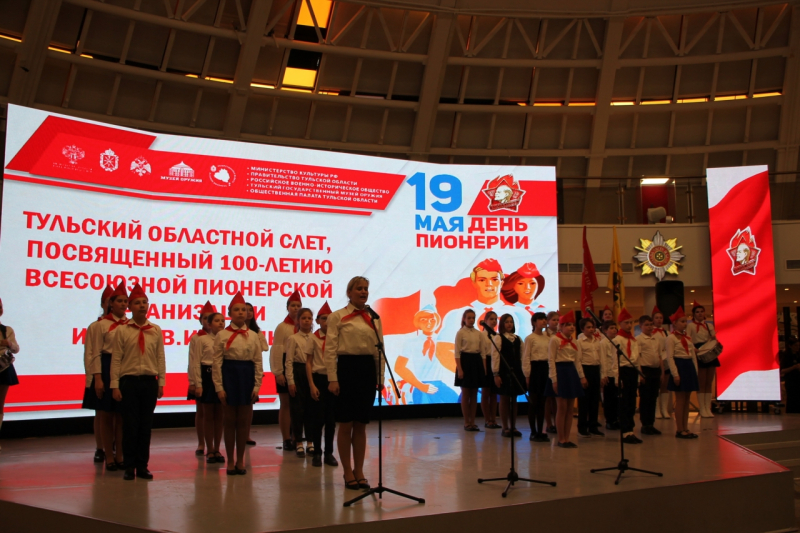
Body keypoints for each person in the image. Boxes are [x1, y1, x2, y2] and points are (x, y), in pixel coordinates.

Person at [324, 276, 385, 491]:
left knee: (361, 424)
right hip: (346, 369)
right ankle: (347, 471)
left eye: (366, 288)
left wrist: (380, 378)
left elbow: (379, 350)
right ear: (349, 292)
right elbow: (330, 349)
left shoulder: (374, 317)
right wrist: (332, 378)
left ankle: (359, 470)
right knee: (346, 423)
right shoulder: (337, 316)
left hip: (367, 370)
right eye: (359, 288)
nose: (363, 292)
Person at [110, 284, 166, 481]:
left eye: (145, 303)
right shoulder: (123, 330)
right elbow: (116, 358)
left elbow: (160, 357)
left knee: (145, 426)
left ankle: (142, 465)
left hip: (149, 382)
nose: (142, 306)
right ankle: (129, 466)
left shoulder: (155, 330)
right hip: (129, 382)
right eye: (137, 303)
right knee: (130, 426)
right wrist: (115, 385)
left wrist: (161, 382)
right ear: (130, 307)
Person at [213, 292, 264, 475]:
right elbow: (217, 363)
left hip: (246, 376)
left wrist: (257, 386)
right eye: (237, 310)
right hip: (229, 375)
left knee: (243, 421)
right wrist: (219, 387)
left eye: (244, 309)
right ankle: (230, 460)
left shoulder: (253, 335)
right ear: (230, 313)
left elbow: (258, 361)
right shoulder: (222, 335)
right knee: (229, 421)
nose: (241, 312)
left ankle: (241, 459)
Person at [85, 282, 129, 471]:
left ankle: (120, 454)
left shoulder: (130, 325)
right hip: (105, 367)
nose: (123, 304)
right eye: (119, 301)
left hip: (124, 368)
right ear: (110, 303)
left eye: (125, 301)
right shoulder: (99, 326)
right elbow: (94, 353)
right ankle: (106, 453)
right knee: (104, 414)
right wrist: (97, 378)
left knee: (121, 415)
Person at [394, 306, 456, 405]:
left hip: (441, 386)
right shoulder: (411, 342)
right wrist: (420, 385)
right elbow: (399, 367)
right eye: (423, 320)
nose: (428, 323)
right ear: (417, 322)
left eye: (432, 319)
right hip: (421, 386)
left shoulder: (444, 341)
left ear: (437, 321)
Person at [544, 310, 586, 448]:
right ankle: (561, 438)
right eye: (568, 324)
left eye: (572, 324)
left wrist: (582, 376)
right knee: (561, 407)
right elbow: (551, 360)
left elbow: (577, 361)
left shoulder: (575, 341)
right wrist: (554, 379)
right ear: (561, 327)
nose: (571, 327)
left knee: (570, 408)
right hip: (560, 372)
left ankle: (567, 437)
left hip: (571, 372)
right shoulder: (555, 340)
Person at [83, 285, 114, 464]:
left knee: (117, 414)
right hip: (100, 373)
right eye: (109, 301)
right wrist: (93, 378)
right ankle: (100, 448)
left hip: (118, 373)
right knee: (101, 413)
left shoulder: (125, 326)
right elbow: (90, 354)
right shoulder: (96, 326)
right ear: (103, 304)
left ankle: (114, 446)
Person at [191, 306, 225, 464]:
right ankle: (209, 448)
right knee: (208, 414)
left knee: (220, 415)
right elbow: (196, 363)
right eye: (217, 321)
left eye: (222, 320)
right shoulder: (201, 340)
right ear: (209, 324)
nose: (221, 323)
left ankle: (217, 448)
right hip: (207, 376)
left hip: (222, 377)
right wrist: (197, 383)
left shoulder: (226, 339)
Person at [307, 302, 338, 467]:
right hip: (318, 379)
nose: (327, 322)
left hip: (333, 380)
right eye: (324, 318)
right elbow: (308, 362)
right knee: (317, 419)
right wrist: (311, 385)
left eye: (330, 319)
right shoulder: (313, 338)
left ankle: (329, 453)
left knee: (331, 420)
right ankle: (317, 452)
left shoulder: (337, 337)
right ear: (318, 321)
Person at [271, 291, 303, 450]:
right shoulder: (282, 327)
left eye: (298, 306)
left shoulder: (304, 327)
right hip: (284, 364)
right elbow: (276, 349)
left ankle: (297, 436)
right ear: (287, 308)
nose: (296, 308)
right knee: (286, 404)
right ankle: (286, 438)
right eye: (293, 305)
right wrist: (278, 372)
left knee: (299, 404)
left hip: (299, 365)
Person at [490, 314, 526, 438]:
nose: (509, 324)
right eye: (506, 322)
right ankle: (505, 427)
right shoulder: (498, 338)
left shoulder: (518, 339)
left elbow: (522, 356)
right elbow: (495, 356)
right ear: (502, 324)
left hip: (516, 371)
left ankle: (513, 426)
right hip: (503, 371)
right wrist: (496, 374)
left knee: (514, 400)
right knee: (504, 399)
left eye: (511, 322)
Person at [285, 308, 315, 458]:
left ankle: (310, 441)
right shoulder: (293, 338)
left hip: (312, 373)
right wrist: (291, 381)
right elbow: (289, 361)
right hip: (298, 372)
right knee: (297, 410)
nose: (306, 321)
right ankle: (298, 442)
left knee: (311, 409)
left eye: (309, 318)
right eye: (303, 318)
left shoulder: (315, 338)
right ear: (298, 320)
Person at [666, 307, 699, 439]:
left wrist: (695, 371)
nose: (685, 324)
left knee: (687, 399)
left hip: (689, 366)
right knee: (680, 400)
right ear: (674, 323)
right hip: (679, 366)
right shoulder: (671, 338)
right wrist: (675, 374)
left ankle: (686, 427)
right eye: (682, 321)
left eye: (686, 321)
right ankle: (679, 429)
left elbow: (692, 356)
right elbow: (670, 357)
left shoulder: (688, 338)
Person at [188, 301, 214, 456]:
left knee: (215, 413)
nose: (208, 321)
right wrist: (193, 381)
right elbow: (193, 360)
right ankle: (201, 443)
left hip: (215, 377)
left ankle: (213, 444)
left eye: (210, 318)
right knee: (201, 411)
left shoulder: (220, 337)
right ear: (201, 321)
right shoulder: (196, 338)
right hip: (201, 376)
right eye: (205, 318)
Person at [454, 309, 486, 432]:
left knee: (474, 394)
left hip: (476, 361)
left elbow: (483, 353)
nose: (471, 320)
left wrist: (484, 368)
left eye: (473, 318)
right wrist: (460, 369)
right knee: (466, 393)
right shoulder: (460, 333)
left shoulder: (478, 334)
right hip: (465, 361)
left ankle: (473, 421)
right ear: (464, 319)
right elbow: (457, 353)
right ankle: (466, 422)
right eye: (469, 318)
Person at [613, 308, 642, 444]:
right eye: (626, 323)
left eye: (631, 323)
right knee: (624, 402)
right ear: (620, 324)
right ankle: (625, 431)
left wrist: (639, 375)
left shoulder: (634, 340)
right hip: (623, 370)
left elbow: (637, 359)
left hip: (633, 371)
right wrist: (617, 377)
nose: (629, 325)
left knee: (631, 402)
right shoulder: (617, 340)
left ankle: (631, 430)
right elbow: (615, 361)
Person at [522, 312, 550, 442]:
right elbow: (526, 357)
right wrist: (527, 375)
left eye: (545, 319)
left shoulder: (548, 338)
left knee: (542, 402)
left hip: (545, 368)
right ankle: (533, 431)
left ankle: (540, 430)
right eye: (540, 319)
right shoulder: (530, 338)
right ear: (534, 322)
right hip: (535, 369)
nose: (544, 321)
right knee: (534, 402)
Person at [576, 318, 606, 438]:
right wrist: (582, 377)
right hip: (585, 370)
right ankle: (582, 427)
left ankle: (593, 426)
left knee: (595, 400)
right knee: (584, 401)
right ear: (582, 329)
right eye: (588, 327)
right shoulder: (579, 342)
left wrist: (602, 375)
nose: (591, 329)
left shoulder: (597, 341)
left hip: (595, 370)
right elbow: (578, 361)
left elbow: (602, 359)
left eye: (592, 327)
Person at [686, 302, 717, 418]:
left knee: (709, 382)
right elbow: (687, 339)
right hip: (698, 351)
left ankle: (707, 408)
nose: (700, 314)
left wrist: (714, 338)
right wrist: (693, 349)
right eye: (697, 312)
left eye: (701, 311)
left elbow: (714, 339)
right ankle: (702, 408)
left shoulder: (709, 326)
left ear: (704, 313)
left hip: (709, 351)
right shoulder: (690, 326)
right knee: (701, 381)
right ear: (694, 314)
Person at [500, 262, 546, 338]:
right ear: (513, 286)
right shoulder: (508, 310)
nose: (527, 288)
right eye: (521, 283)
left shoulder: (545, 310)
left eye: (532, 283)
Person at [636, 315, 664, 436]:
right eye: (646, 325)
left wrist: (662, 372)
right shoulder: (638, 340)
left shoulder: (656, 339)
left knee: (653, 398)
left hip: (655, 370)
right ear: (641, 326)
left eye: (651, 324)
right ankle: (644, 424)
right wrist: (640, 374)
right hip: (645, 370)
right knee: (645, 398)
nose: (649, 327)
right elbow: (637, 357)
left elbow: (659, 356)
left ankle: (651, 424)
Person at [245, 302, 267, 446]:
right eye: (244, 310)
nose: (247, 313)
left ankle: (246, 434)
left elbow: (265, 347)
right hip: (236, 367)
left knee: (249, 404)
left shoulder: (256, 332)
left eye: (250, 310)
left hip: (251, 368)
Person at [0, 297, 20, 451]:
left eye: (0, 307)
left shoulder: (6, 330)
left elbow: (16, 349)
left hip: (3, 368)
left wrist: (9, 343)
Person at [480, 311, 500, 429]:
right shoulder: (482, 335)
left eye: (495, 319)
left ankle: (493, 418)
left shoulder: (497, 335)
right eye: (491, 319)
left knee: (494, 393)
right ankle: (487, 419)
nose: (493, 321)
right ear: (486, 320)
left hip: (495, 362)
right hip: (486, 361)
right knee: (486, 392)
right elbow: (482, 352)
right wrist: (484, 368)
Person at [652, 306, 672, 419]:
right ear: (653, 319)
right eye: (657, 318)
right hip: (656, 360)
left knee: (665, 385)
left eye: (660, 318)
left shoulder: (667, 332)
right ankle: (657, 409)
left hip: (666, 359)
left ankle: (664, 409)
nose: (659, 320)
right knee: (657, 385)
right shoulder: (651, 332)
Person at [601, 320, 619, 430]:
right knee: (609, 399)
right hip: (608, 373)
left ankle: (616, 419)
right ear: (605, 330)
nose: (614, 330)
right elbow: (603, 359)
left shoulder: (617, 341)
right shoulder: (604, 343)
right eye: (611, 328)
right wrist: (604, 374)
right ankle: (609, 420)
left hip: (616, 374)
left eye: (615, 328)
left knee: (617, 398)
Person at [544, 311, 560, 434]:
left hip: (557, 366)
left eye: (557, 320)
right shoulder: (544, 335)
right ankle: (549, 424)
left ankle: (557, 422)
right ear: (548, 321)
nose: (556, 322)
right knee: (548, 397)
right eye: (553, 320)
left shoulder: (560, 335)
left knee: (557, 397)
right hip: (546, 365)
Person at [780, 337, 800, 413]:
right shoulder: (786, 356)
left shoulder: (798, 355)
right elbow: (782, 370)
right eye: (795, 345)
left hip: (798, 380)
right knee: (792, 399)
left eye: (798, 345)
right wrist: (794, 367)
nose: (797, 347)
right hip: (791, 381)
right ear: (790, 346)